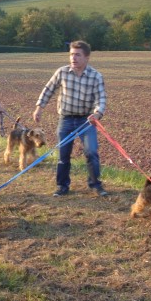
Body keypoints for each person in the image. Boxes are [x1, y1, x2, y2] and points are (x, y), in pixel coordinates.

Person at [32, 40, 108, 197]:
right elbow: (48, 89)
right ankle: (62, 186)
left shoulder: (96, 76)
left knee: (92, 152)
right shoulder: (62, 72)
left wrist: (98, 114)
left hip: (86, 121)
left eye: (78, 55)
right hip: (66, 119)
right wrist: (39, 107)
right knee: (63, 154)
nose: (73, 58)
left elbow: (101, 99)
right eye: (72, 54)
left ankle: (95, 185)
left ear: (87, 57)